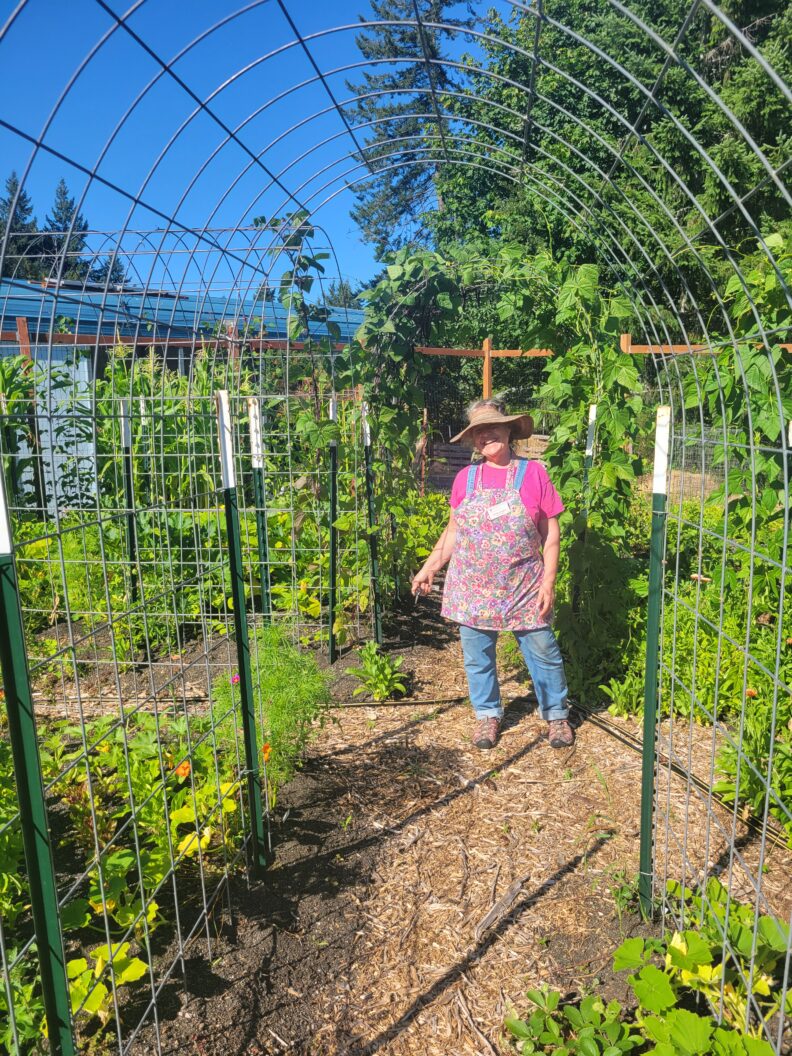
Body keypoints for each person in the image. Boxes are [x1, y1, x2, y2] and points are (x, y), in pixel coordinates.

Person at [411, 398, 575, 751]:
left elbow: (551, 534)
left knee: (543, 650)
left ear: (509, 430)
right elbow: (453, 531)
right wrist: (429, 567)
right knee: (477, 656)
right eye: (478, 431)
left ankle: (557, 714)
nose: (487, 436)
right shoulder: (465, 479)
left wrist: (548, 582)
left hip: (524, 585)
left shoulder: (534, 474)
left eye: (493, 428)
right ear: (473, 440)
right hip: (472, 587)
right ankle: (487, 715)